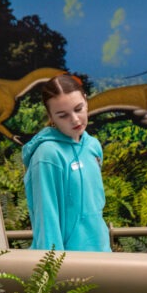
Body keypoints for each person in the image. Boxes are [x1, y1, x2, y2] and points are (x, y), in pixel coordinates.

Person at [22, 74, 112, 252]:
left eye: (78, 109)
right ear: (50, 116)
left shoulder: (93, 146)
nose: (75, 120)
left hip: (103, 257)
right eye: (63, 115)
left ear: (86, 101)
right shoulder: (46, 155)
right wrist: (52, 271)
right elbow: (46, 220)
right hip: (67, 267)